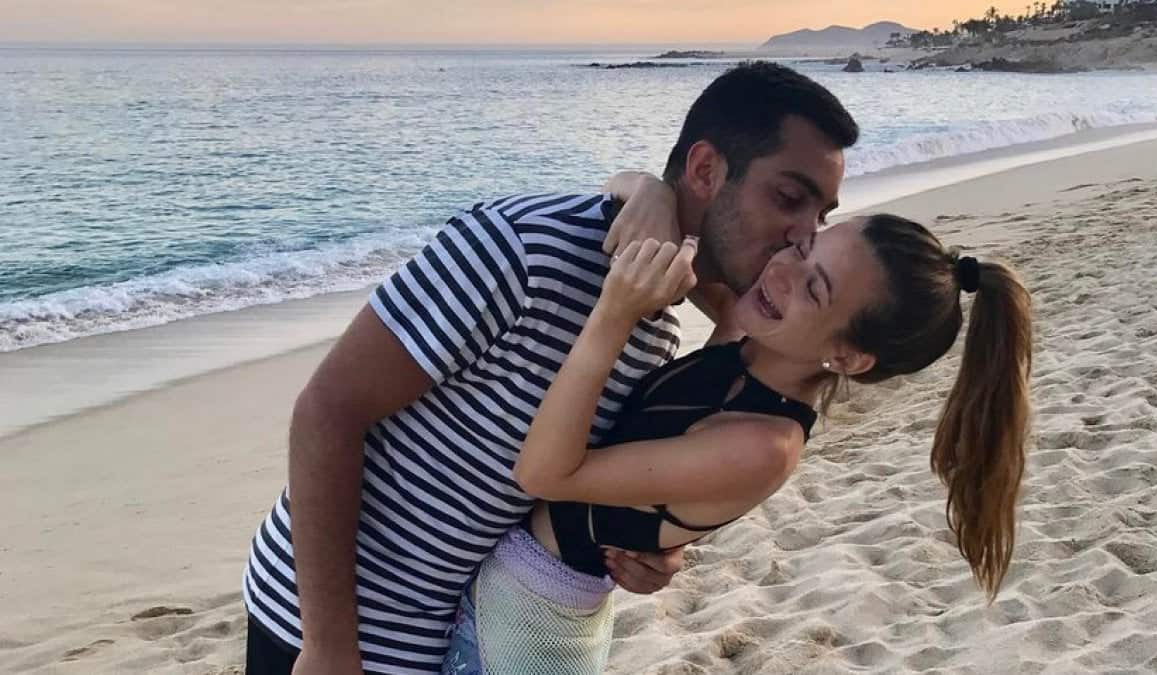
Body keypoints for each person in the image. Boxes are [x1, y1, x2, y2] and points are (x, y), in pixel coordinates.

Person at [242, 60, 860, 674]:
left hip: (453, 636)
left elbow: (555, 483)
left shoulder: (655, 325)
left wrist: (647, 547)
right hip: (321, 625)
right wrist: (327, 645)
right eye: (788, 198)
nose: (802, 235)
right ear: (705, 170)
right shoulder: (522, 249)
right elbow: (328, 411)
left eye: (821, 216)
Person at [441, 213, 1032, 674]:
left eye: (814, 289)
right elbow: (693, 229)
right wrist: (643, 188)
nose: (781, 272)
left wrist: (613, 316)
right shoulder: (745, 333)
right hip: (508, 592)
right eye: (803, 247)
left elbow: (545, 474)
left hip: (525, 634)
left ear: (849, 356)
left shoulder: (763, 444)